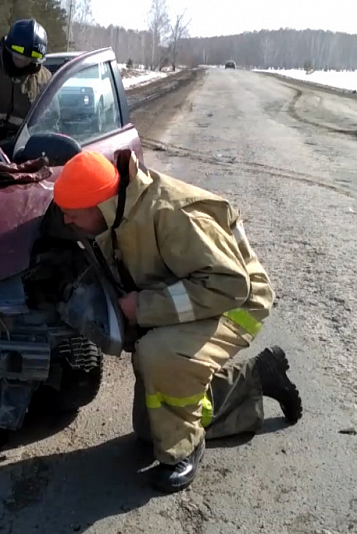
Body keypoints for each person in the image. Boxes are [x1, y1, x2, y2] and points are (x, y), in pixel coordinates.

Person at [52, 149, 304, 493]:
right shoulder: (116, 207)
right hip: (200, 296)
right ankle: (258, 377)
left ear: (100, 206)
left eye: (73, 216)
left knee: (160, 355)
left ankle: (183, 451)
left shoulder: (171, 213)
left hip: (240, 304)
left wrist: (144, 307)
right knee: (150, 427)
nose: (68, 222)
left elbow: (231, 284)